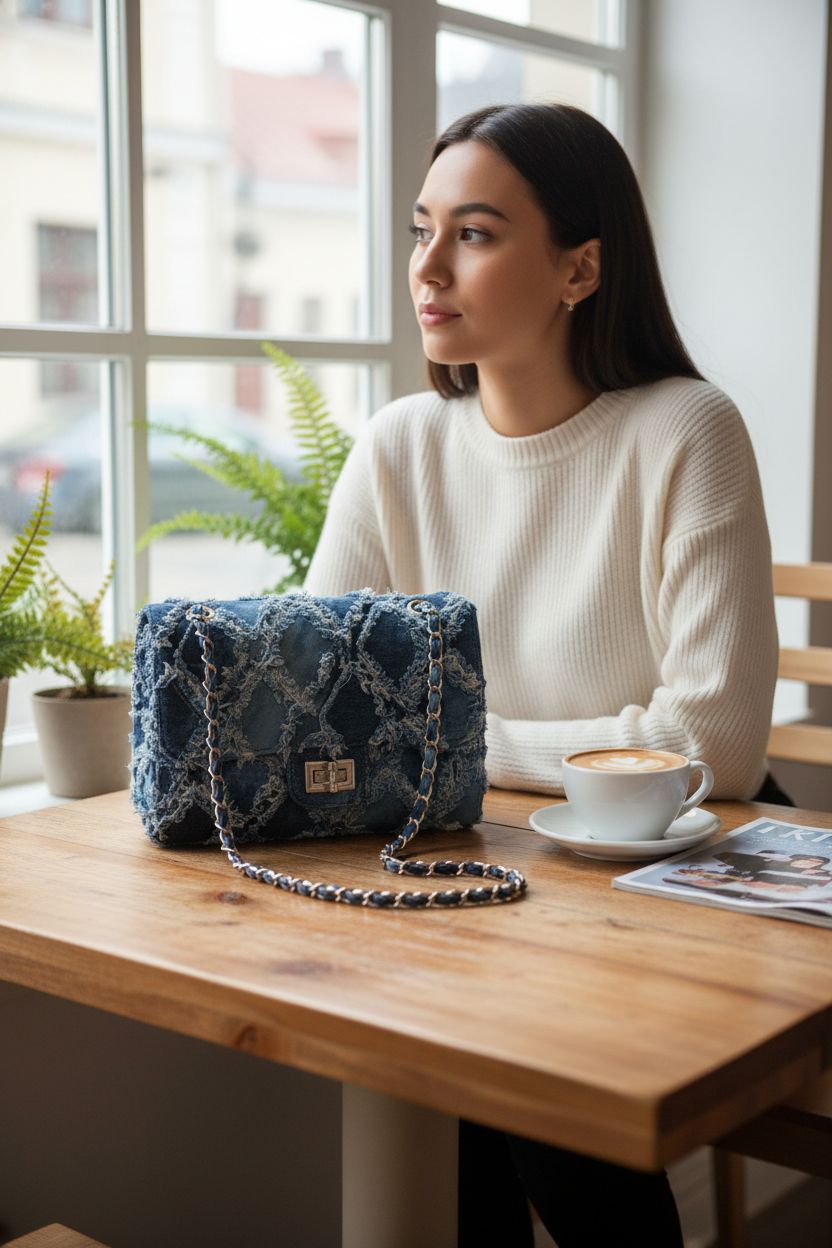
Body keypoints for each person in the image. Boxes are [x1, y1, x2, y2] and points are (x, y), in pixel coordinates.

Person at [304, 102, 780, 1247]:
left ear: (580, 266)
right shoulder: (398, 448)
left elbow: (710, 749)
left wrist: (440, 740)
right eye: (422, 228)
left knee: (527, 1100)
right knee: (444, 1085)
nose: (426, 265)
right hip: (483, 873)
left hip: (669, 884)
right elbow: (322, 709)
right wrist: (560, 741)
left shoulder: (684, 430)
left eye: (472, 233)